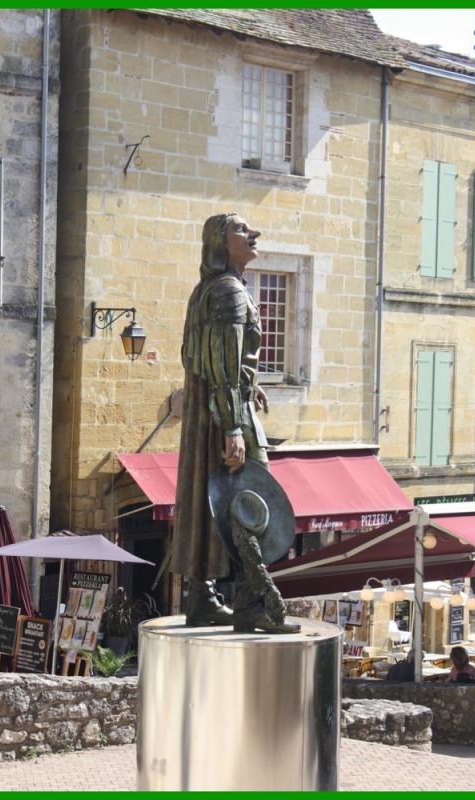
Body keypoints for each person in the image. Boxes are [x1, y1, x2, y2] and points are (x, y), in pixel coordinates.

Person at [172, 213, 287, 630]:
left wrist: (249, 385)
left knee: (208, 500)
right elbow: (221, 364)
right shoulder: (229, 292)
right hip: (226, 413)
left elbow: (206, 357)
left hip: (214, 410)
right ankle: (251, 603)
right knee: (254, 501)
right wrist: (234, 427)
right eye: (240, 229)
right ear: (220, 242)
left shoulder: (208, 288)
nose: (253, 233)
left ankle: (202, 598)